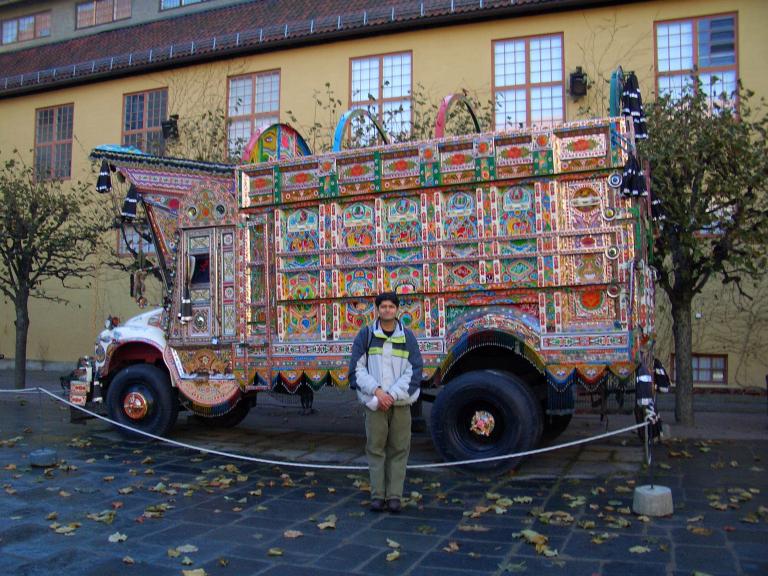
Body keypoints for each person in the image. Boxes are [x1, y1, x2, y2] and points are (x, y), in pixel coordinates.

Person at [348, 292, 422, 513]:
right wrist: (378, 392)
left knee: (400, 449)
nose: (387, 310)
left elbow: (414, 370)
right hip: (375, 403)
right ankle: (378, 496)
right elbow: (357, 369)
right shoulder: (366, 336)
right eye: (383, 306)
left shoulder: (407, 337)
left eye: (391, 306)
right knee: (376, 449)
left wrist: (393, 395)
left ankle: (394, 496)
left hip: (399, 403)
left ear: (397, 310)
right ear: (377, 310)